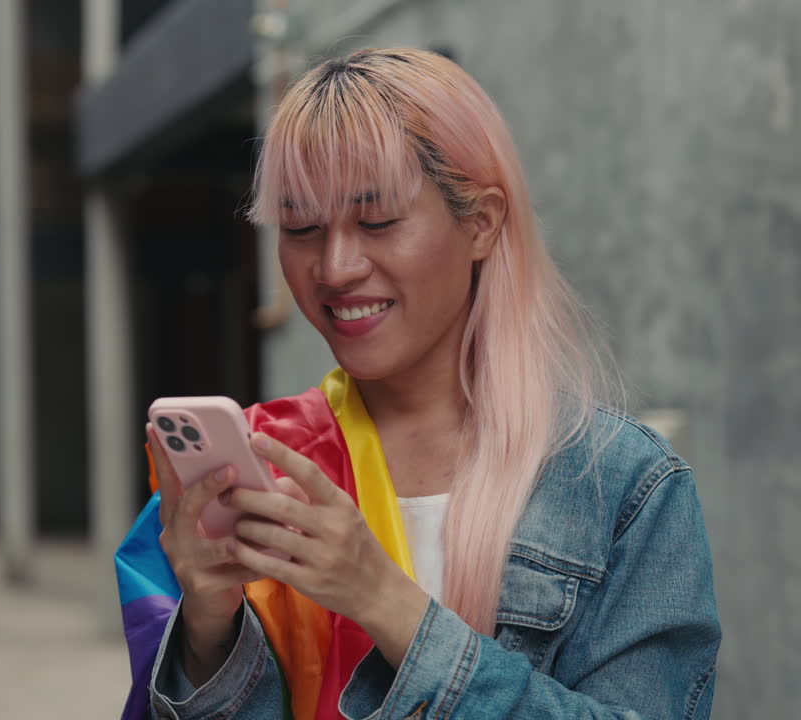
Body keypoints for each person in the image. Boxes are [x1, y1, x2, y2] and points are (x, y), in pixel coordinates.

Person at [114, 48, 720, 720]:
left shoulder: (626, 487)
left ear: (482, 223)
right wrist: (207, 629)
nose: (336, 267)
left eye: (377, 222)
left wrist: (385, 602)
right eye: (301, 228)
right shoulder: (258, 464)